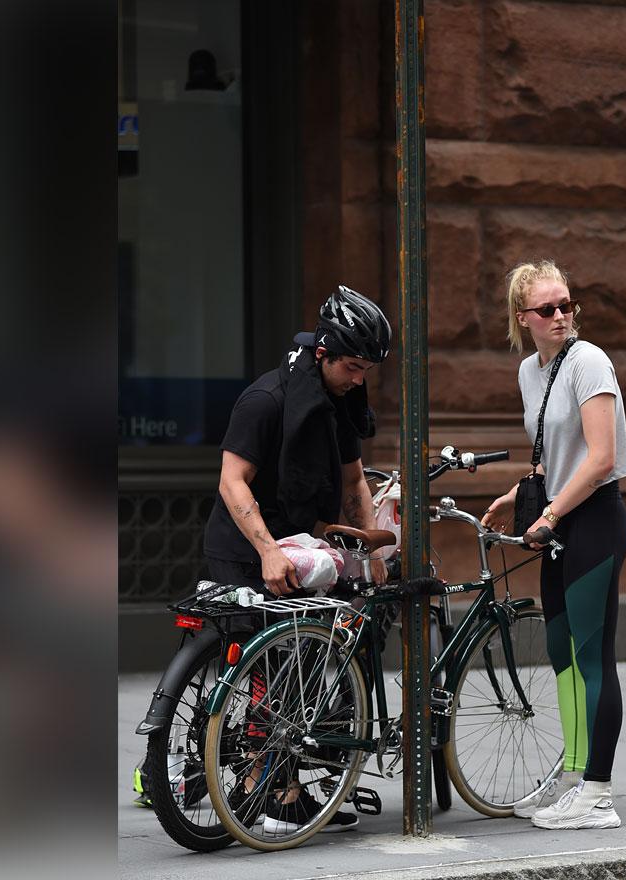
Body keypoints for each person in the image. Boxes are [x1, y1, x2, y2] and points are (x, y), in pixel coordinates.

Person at [201, 283, 392, 832]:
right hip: (244, 546)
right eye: (352, 366)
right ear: (322, 353)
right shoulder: (266, 401)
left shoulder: (339, 401)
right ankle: (273, 792)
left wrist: (370, 547)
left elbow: (355, 480)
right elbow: (232, 482)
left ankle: (275, 777)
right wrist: (266, 550)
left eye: (366, 370)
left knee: (306, 662)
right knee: (271, 665)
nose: (359, 379)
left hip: (303, 541)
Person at [482, 260, 626, 830]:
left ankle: (598, 793)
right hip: (558, 521)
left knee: (593, 655)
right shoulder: (530, 371)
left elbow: (598, 460)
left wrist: (549, 513)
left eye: (568, 304)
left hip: (593, 519)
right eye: (548, 309)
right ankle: (572, 772)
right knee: (559, 649)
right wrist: (516, 493)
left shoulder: (589, 361)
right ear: (523, 317)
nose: (562, 316)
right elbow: (551, 455)